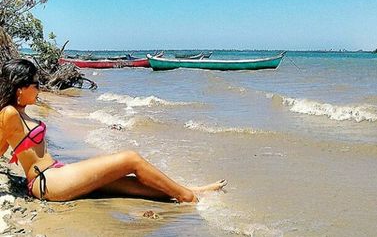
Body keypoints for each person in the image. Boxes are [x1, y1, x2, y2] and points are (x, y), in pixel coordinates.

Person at [0, 59, 227, 202]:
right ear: (20, 88)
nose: (39, 89)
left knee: (127, 182)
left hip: (56, 173)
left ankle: (191, 190)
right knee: (131, 159)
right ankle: (188, 198)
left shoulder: (19, 110)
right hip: (48, 182)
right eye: (35, 84)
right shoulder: (9, 113)